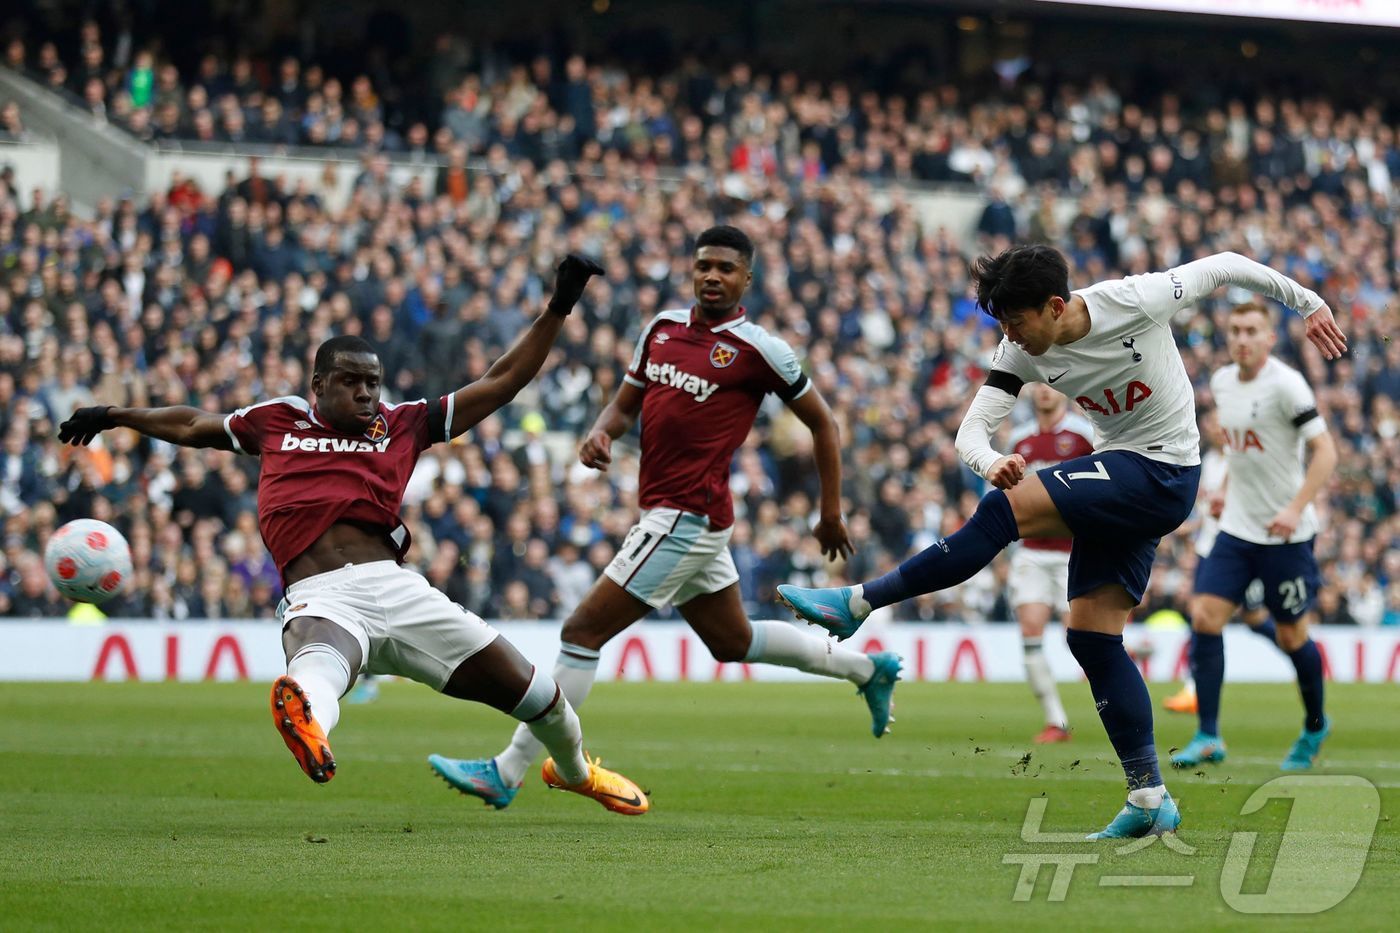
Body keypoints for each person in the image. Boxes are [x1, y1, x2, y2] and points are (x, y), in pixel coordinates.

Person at [779, 245, 1347, 839]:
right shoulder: (1020, 349)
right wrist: (989, 459)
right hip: (1123, 477)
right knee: (1092, 640)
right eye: (1001, 324)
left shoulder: (1136, 300)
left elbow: (1226, 264)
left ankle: (860, 603)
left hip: (1163, 472)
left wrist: (1307, 303)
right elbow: (969, 431)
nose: (1009, 336)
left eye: (1016, 322)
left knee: (1004, 512)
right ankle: (1150, 797)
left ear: (1054, 307)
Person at [58, 256, 651, 815]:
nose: (367, 393)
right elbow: (192, 423)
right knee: (317, 671)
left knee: (542, 696)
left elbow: (501, 382)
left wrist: (559, 306)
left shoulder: (402, 423)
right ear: (319, 384)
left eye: (373, 382)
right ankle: (307, 725)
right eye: (352, 383)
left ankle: (575, 773)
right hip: (320, 593)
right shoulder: (280, 420)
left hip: (398, 591)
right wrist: (115, 416)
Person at [428, 225, 901, 810]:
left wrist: (830, 512)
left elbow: (824, 423)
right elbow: (626, 404)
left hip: (686, 518)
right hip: (681, 515)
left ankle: (509, 770)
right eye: (704, 265)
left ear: (746, 279)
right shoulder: (661, 330)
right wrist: (602, 432)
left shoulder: (760, 350)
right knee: (734, 640)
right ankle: (867, 669)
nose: (712, 276)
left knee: (581, 634)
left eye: (726, 268)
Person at [1170, 301, 1336, 771]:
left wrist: (1295, 508)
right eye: (1235, 330)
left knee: (1291, 637)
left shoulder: (1287, 385)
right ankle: (1208, 734)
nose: (1242, 338)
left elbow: (1326, 453)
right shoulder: (1222, 383)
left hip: (1286, 535)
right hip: (1238, 528)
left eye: (1251, 331)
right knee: (1204, 614)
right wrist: (1223, 489)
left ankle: (1316, 723)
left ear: (1268, 338)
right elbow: (1241, 452)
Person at [1163, 410, 1275, 715]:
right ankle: (1193, 689)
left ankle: (1298, 650)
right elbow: (1209, 510)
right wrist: (1192, 530)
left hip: (1235, 551)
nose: (1211, 427)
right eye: (1208, 423)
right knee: (1201, 616)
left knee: (1251, 620)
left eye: (1216, 422)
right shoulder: (1209, 462)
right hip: (1208, 550)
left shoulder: (1243, 461)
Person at [1006, 383, 1094, 744]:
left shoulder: (1083, 435)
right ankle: (1056, 721)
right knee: (1030, 630)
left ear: (1064, 391)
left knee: (1080, 637)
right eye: (1037, 384)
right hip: (1032, 551)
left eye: (1050, 384)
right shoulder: (1019, 440)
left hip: (1074, 551)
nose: (1044, 391)